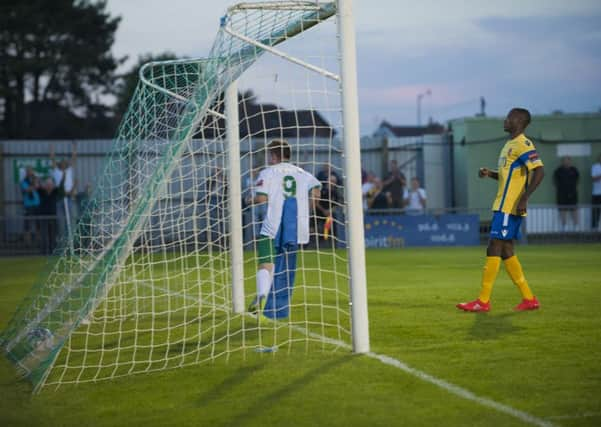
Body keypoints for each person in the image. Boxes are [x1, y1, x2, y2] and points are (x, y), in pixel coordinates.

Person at [457, 108, 544, 312]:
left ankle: (483, 301)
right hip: (503, 206)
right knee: (506, 250)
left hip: (509, 206)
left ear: (520, 121)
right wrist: (490, 174)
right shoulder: (509, 145)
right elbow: (510, 177)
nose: (505, 120)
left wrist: (524, 197)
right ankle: (529, 298)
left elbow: (539, 171)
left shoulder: (523, 143)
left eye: (510, 117)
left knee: (494, 246)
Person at [248, 140, 321, 320]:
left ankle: (262, 296)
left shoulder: (268, 172)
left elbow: (261, 199)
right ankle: (279, 307)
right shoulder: (303, 173)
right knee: (286, 267)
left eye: (269, 155)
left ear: (274, 156)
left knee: (266, 260)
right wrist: (308, 210)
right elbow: (317, 190)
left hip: (273, 225)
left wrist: (247, 201)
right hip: (295, 228)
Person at [50, 142, 77, 241]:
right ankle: (62, 240)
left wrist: (74, 148)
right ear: (59, 164)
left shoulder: (69, 170)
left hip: (69, 197)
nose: (63, 164)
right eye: (62, 163)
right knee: (60, 221)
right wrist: (52, 150)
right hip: (60, 197)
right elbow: (52, 159)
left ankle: (72, 240)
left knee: (71, 220)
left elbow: (73, 159)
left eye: (65, 163)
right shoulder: (56, 171)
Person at [553, 156, 580, 230]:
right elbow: (555, 183)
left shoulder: (574, 170)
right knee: (562, 210)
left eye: (568, 161)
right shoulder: (558, 171)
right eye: (564, 161)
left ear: (570, 161)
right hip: (562, 194)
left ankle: (576, 226)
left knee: (574, 209)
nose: (566, 162)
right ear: (562, 162)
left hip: (573, 194)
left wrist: (574, 191)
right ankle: (564, 226)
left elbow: (577, 182)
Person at [20, 167, 41, 244]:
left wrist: (36, 181)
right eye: (28, 171)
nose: (30, 173)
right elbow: (27, 189)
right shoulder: (24, 181)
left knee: (38, 224)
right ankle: (27, 243)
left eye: (31, 171)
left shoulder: (36, 180)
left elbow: (38, 187)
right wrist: (34, 184)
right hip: (28, 205)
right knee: (27, 225)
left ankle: (39, 242)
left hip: (37, 205)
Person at [591, 154, 601, 230]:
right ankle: (594, 228)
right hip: (597, 193)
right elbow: (593, 179)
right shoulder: (595, 167)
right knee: (596, 212)